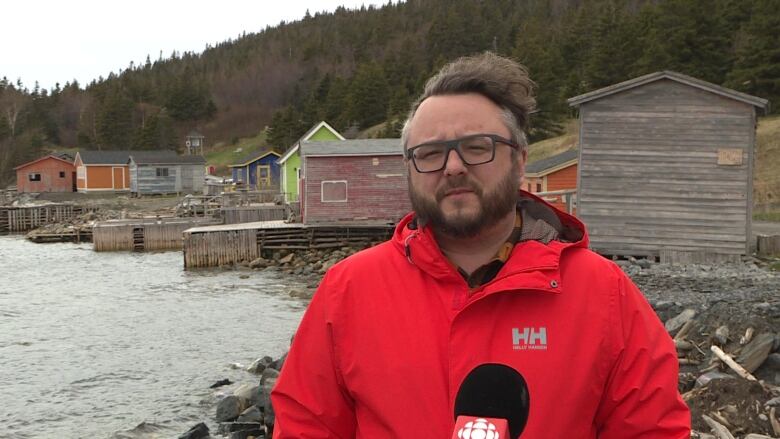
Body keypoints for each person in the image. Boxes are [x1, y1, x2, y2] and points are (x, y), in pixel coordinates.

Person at [271, 52, 691, 438]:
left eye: (477, 148)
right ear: (409, 169)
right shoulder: (348, 291)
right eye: (431, 153)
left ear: (520, 159)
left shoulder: (603, 295)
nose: (453, 167)